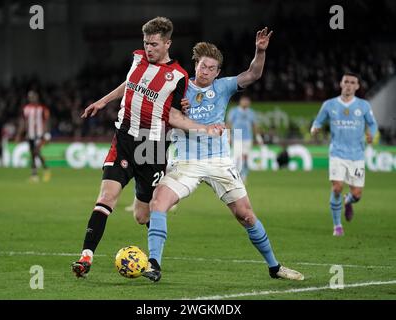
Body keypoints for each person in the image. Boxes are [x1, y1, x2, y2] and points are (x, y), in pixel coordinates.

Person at [143, 28, 304, 282]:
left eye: (211, 68)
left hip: (219, 161)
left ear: (218, 72)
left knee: (246, 215)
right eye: (202, 66)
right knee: (158, 203)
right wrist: (176, 108)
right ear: (195, 65)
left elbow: (253, 74)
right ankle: (153, 264)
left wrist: (259, 51)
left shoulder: (224, 87)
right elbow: (161, 120)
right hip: (185, 161)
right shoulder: (177, 87)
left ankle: (274, 267)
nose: (205, 71)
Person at [71, 17, 224, 278]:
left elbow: (177, 113)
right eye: (146, 43)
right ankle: (86, 258)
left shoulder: (178, 77)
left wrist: (202, 127)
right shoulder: (137, 58)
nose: (149, 48)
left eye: (154, 44)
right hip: (124, 139)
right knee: (106, 198)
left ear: (167, 43)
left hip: (151, 148)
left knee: (143, 215)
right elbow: (129, 83)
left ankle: (153, 259)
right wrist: (103, 101)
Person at [310, 72, 377, 236]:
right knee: (337, 187)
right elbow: (318, 121)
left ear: (357, 86)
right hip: (337, 153)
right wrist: (314, 129)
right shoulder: (329, 105)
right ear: (340, 84)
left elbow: (372, 124)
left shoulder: (364, 106)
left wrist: (371, 134)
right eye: (346, 81)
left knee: (357, 194)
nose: (348, 85)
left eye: (352, 82)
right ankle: (337, 226)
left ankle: (349, 200)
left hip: (357, 155)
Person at [16, 90, 51, 182]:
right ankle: (35, 175)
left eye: (33, 96)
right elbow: (23, 122)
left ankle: (46, 170)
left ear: (37, 97)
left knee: (36, 152)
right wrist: (19, 134)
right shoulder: (26, 109)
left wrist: (47, 134)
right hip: (30, 135)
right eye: (30, 97)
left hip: (40, 135)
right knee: (33, 155)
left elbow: (47, 122)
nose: (31, 98)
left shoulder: (42, 109)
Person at [226, 94, 261, 183]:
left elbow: (254, 125)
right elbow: (229, 124)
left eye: (247, 101)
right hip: (237, 135)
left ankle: (244, 175)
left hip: (248, 137)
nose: (245, 102)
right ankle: (235, 175)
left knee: (245, 157)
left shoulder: (251, 112)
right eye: (244, 100)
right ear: (240, 101)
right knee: (237, 157)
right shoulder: (234, 111)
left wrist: (258, 137)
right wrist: (229, 136)